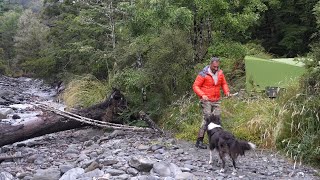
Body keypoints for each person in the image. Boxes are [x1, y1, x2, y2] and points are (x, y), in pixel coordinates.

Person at [192, 57, 230, 149]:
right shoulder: (203, 73)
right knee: (207, 119)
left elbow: (223, 84)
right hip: (206, 100)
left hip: (216, 99)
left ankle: (217, 140)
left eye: (217, 67)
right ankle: (199, 141)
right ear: (210, 65)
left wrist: (227, 92)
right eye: (214, 67)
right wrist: (202, 95)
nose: (216, 69)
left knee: (217, 119)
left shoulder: (220, 73)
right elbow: (195, 86)